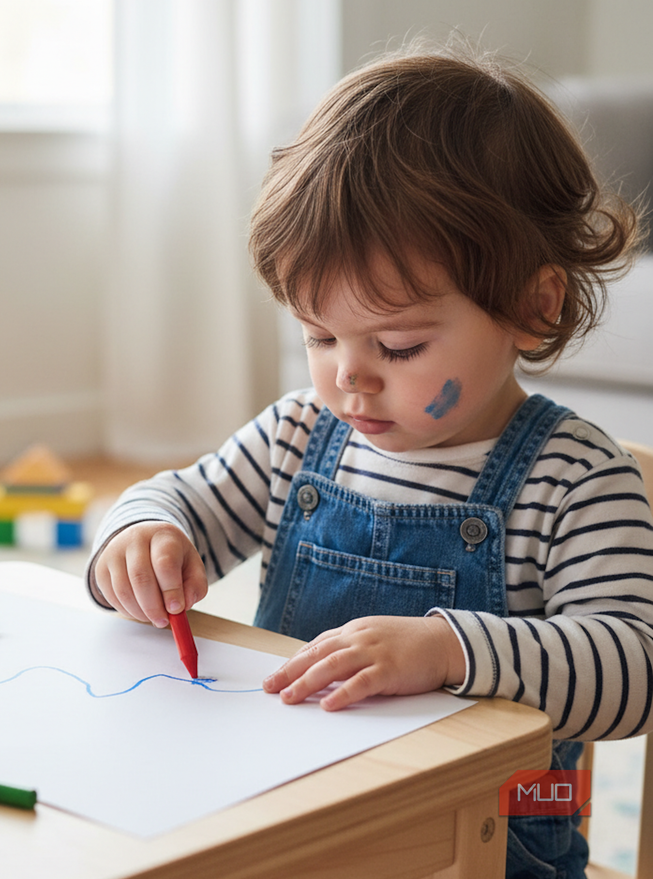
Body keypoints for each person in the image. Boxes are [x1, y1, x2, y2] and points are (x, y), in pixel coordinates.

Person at [85, 43, 652, 877]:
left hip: (488, 850)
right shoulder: (298, 437)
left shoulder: (576, 482)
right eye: (318, 336)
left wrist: (447, 650)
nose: (346, 374)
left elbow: (633, 668)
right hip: (290, 820)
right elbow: (180, 502)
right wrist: (139, 539)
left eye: (398, 343)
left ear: (534, 306)